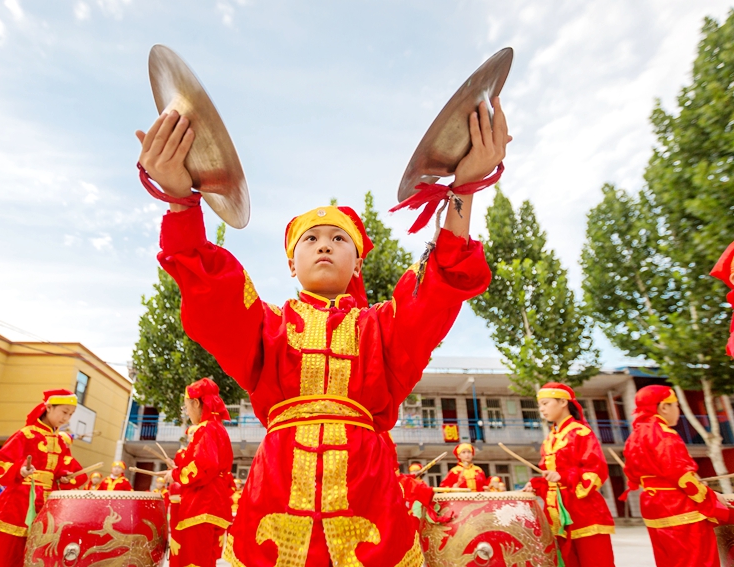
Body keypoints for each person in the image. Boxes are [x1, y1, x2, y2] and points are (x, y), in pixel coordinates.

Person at [136, 93, 506, 565]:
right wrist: (181, 204)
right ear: (292, 263)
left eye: (338, 239)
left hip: (367, 494)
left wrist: (466, 187)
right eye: (311, 239)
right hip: (276, 493)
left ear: (356, 262)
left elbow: (439, 283)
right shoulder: (267, 325)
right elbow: (210, 286)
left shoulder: (384, 325)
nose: (324, 245)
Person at [623, 385, 733, 567]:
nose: (678, 410)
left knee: (669, 561)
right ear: (664, 407)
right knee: (696, 560)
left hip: (654, 506)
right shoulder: (664, 434)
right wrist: (712, 497)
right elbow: (683, 478)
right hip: (679, 507)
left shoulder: (635, 436)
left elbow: (633, 475)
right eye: (676, 405)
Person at [0, 389, 82, 567]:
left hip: (48, 504)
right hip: (20, 500)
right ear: (49, 408)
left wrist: (64, 478)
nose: (66, 418)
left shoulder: (60, 441)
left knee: (39, 553)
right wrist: (19, 471)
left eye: (71, 414)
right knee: (8, 552)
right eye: (64, 412)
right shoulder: (26, 434)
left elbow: (65, 469)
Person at [524, 382, 615, 567]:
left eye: (546, 403)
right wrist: (537, 484)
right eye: (540, 405)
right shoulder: (550, 439)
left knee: (596, 561)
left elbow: (596, 471)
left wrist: (564, 476)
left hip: (584, 511)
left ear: (563, 402)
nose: (541, 409)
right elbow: (551, 476)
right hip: (557, 513)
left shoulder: (580, 432)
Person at [159, 378, 234, 567]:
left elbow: (204, 465)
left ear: (196, 402)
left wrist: (175, 475)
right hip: (214, 502)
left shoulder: (205, 428)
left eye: (186, 407)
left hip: (201, 503)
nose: (187, 412)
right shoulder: (219, 428)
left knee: (192, 560)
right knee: (206, 560)